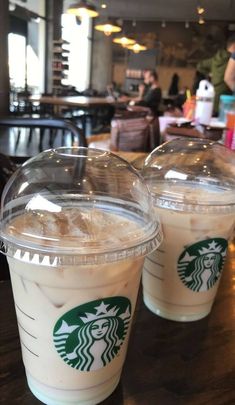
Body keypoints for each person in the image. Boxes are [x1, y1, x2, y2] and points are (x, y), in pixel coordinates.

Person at [196, 34, 235, 114]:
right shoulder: (232, 59)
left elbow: (199, 65)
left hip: (213, 95)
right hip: (226, 98)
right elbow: (228, 78)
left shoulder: (215, 59)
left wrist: (209, 73)